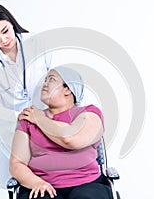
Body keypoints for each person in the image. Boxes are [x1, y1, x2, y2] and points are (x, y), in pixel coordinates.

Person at [0, 2, 51, 189]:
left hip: (48, 116)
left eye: (5, 31)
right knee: (26, 171)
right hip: (14, 127)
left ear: (11, 22)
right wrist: (18, 117)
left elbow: (61, 79)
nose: (3, 40)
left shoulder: (37, 44)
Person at [10, 66, 113, 199]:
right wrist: (36, 182)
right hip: (42, 184)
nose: (45, 83)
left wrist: (40, 119)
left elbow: (71, 139)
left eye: (51, 79)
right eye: (45, 80)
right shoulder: (28, 118)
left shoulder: (89, 113)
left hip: (87, 183)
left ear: (68, 89)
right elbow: (16, 163)